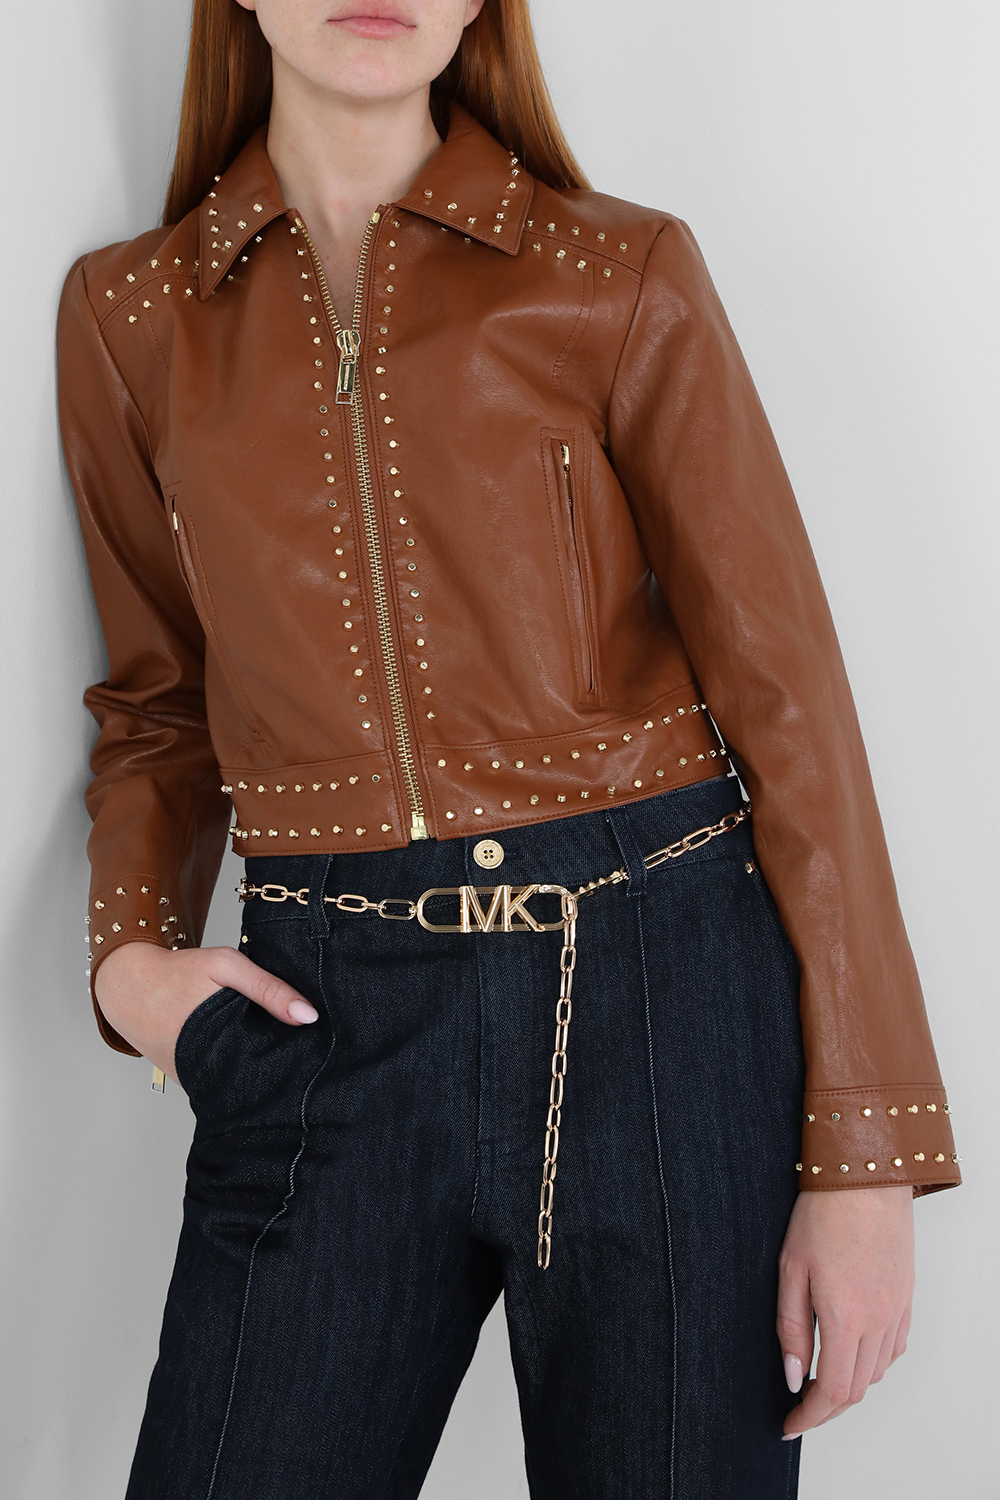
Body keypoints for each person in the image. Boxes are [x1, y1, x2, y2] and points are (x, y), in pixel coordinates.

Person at [57, 1, 960, 1496]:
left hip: (658, 999)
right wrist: (127, 967)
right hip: (322, 1021)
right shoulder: (133, 316)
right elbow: (157, 704)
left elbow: (790, 704)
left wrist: (864, 1151)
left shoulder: (617, 273)